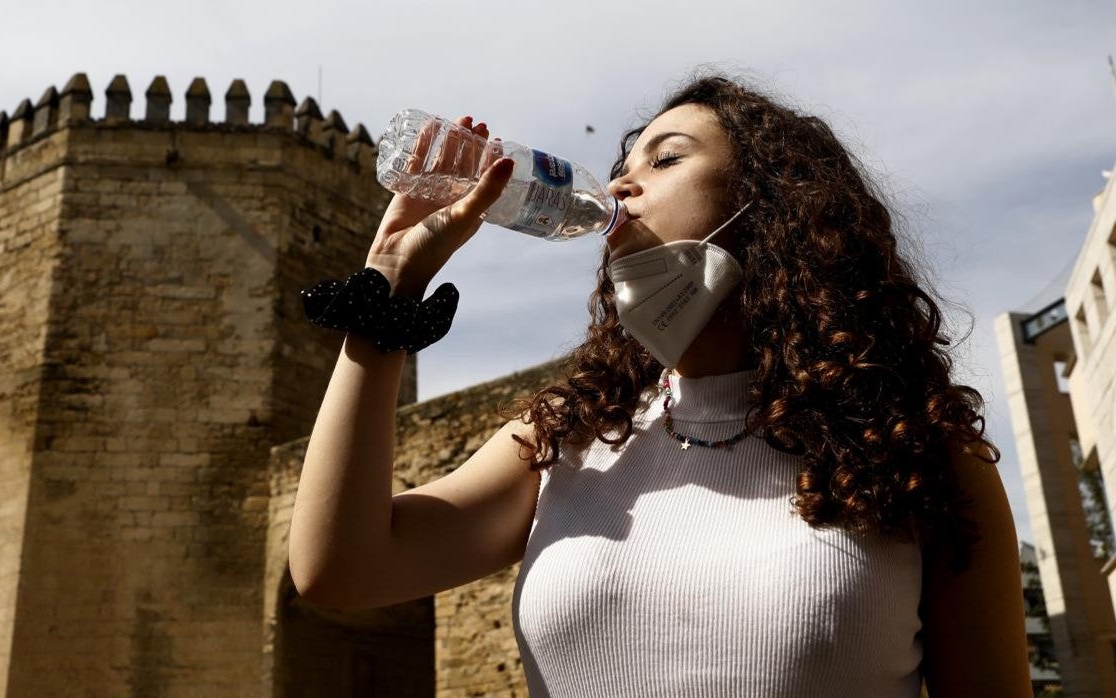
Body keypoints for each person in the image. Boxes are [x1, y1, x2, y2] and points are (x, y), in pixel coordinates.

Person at [289, 72, 1032, 697]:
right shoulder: (566, 440)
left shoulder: (917, 457)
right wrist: (387, 290)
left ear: (772, 206)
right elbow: (342, 569)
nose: (620, 183)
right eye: (624, 162)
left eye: (666, 158)